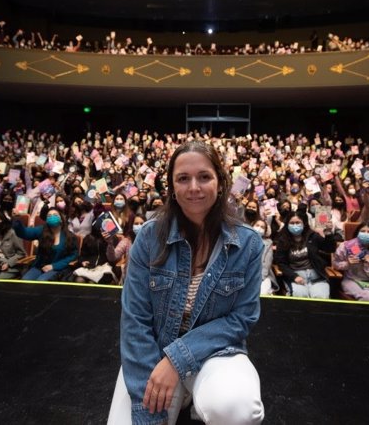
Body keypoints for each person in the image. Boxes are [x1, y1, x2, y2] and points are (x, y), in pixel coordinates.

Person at [108, 140, 265, 424]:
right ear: (172, 187)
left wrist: (176, 360)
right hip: (154, 351)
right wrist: (150, 405)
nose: (194, 187)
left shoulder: (249, 244)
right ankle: (180, 396)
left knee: (237, 408)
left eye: (204, 176)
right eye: (183, 178)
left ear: (220, 183)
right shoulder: (148, 237)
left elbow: (242, 318)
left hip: (217, 353)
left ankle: (195, 397)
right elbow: (135, 320)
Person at [273, 213, 336, 298]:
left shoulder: (312, 236)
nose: (295, 225)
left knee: (320, 298)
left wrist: (328, 233)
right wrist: (294, 276)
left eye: (298, 222)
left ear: (304, 224)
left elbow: (330, 249)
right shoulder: (282, 240)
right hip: (296, 277)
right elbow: (281, 263)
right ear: (287, 225)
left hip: (316, 277)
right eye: (292, 223)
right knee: (301, 297)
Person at [13, 206, 79, 281]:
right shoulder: (41, 230)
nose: (52, 217)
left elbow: (73, 255)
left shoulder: (69, 236)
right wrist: (17, 219)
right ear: (47, 220)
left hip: (57, 268)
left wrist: (54, 266)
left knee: (42, 282)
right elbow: (24, 233)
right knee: (25, 280)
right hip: (39, 266)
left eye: (55, 215)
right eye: (49, 216)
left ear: (61, 219)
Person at [333, 222, 369, 302]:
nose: (366, 234)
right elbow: (335, 264)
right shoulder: (346, 246)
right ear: (357, 234)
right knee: (367, 296)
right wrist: (347, 264)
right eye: (363, 231)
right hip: (351, 280)